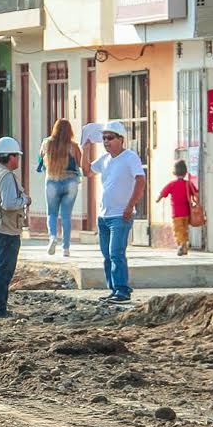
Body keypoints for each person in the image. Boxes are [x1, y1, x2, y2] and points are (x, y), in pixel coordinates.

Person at [87, 120, 147, 304]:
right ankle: (113, 290)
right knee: (107, 256)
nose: (106, 141)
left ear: (121, 139)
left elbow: (141, 180)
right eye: (104, 138)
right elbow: (87, 171)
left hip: (121, 216)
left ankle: (122, 291)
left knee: (116, 253)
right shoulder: (104, 159)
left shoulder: (130, 157)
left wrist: (130, 206)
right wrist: (85, 147)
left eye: (110, 138)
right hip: (104, 216)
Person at [0, 137, 30, 318]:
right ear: (11, 156)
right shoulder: (7, 176)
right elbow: (9, 204)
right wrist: (25, 200)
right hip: (6, 229)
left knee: (1, 267)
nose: (18, 160)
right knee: (3, 270)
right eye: (17, 156)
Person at [38, 119, 82, 256]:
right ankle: (66, 249)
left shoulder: (46, 143)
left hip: (52, 181)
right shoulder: (73, 146)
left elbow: (40, 162)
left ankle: (52, 237)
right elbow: (79, 163)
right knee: (66, 216)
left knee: (52, 213)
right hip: (71, 182)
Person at [157, 160, 199, 256]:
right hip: (187, 212)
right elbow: (196, 194)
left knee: (178, 230)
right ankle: (184, 248)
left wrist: (157, 200)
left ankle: (181, 245)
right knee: (185, 230)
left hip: (176, 213)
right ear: (185, 172)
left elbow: (163, 193)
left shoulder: (172, 184)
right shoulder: (188, 184)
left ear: (174, 172)